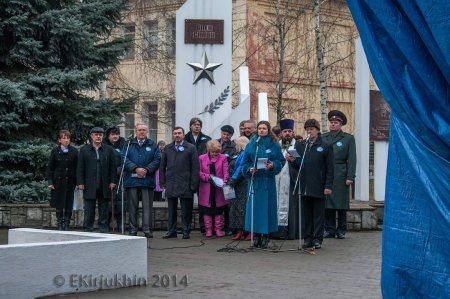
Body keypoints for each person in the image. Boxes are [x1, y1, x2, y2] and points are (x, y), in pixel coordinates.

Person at [241, 120, 286, 249]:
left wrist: (273, 165)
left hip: (267, 181)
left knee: (267, 209)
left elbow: (281, 161)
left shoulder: (274, 144)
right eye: (260, 128)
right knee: (254, 209)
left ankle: (265, 236)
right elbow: (245, 163)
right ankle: (255, 235)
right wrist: (249, 169)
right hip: (255, 181)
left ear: (268, 130)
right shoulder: (251, 144)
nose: (261, 130)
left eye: (264, 128)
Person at [290, 119, 333, 249]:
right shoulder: (300, 145)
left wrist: (328, 186)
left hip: (319, 185)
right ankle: (307, 238)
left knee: (318, 215)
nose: (309, 131)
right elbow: (299, 165)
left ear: (317, 130)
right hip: (304, 186)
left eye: (312, 129)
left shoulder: (325, 145)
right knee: (306, 215)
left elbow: (330, 168)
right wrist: (292, 161)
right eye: (307, 129)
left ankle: (317, 239)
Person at [160, 127, 199, 239]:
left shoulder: (191, 148)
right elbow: (162, 167)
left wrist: (193, 184)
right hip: (171, 183)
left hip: (186, 183)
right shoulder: (168, 148)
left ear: (183, 134)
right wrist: (162, 183)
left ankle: (185, 230)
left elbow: (195, 167)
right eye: (175, 133)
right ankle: (171, 231)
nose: (177, 135)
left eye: (179, 133)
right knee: (171, 209)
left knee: (186, 209)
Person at [322, 110, 356, 239]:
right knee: (328, 203)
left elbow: (352, 159)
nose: (333, 124)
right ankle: (329, 229)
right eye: (331, 122)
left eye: (335, 123)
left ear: (341, 124)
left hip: (341, 173)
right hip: (326, 173)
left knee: (341, 203)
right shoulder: (324, 137)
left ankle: (341, 229)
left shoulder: (348, 138)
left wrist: (350, 176)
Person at [122, 124, 161, 238]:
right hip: (131, 181)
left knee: (147, 207)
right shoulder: (128, 144)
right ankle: (133, 230)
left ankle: (147, 229)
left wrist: (147, 169)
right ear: (136, 131)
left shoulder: (152, 144)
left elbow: (157, 159)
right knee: (132, 207)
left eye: (144, 130)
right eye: (139, 130)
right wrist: (135, 168)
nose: (142, 132)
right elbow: (124, 157)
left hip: (147, 180)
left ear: (147, 131)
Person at [77, 127, 117, 233]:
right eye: (96, 134)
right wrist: (80, 182)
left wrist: (113, 181)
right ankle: (87, 228)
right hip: (89, 184)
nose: (98, 136)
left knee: (104, 208)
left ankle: (103, 228)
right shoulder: (84, 150)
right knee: (89, 209)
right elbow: (80, 167)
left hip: (105, 184)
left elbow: (113, 167)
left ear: (103, 136)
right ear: (91, 136)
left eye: (100, 135)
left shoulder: (108, 150)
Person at [273, 119, 300, 240]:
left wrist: (294, 161)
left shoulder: (299, 145)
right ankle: (277, 232)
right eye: (285, 131)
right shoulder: (275, 146)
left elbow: (302, 164)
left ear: (293, 133)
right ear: (281, 133)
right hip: (277, 181)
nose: (287, 133)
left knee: (291, 207)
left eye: (290, 131)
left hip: (292, 181)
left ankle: (290, 233)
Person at [46, 130, 78, 230]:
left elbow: (78, 167)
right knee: (59, 203)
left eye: (68, 138)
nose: (66, 140)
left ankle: (67, 223)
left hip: (70, 181)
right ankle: (60, 223)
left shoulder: (74, 151)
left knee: (69, 203)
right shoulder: (55, 151)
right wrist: (50, 181)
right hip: (58, 181)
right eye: (64, 138)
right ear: (59, 140)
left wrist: (78, 182)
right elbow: (50, 167)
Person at [184, 117, 211, 234]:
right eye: (194, 124)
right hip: (187, 173)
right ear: (190, 126)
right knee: (187, 203)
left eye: (199, 124)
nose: (196, 126)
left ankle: (203, 226)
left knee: (203, 202)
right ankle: (186, 227)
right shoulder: (184, 139)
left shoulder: (207, 139)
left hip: (202, 173)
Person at [198, 140, 229, 238]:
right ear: (208, 150)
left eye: (217, 152)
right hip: (206, 187)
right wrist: (208, 177)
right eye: (213, 152)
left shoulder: (223, 158)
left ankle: (218, 229)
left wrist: (224, 181)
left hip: (219, 188)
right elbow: (198, 172)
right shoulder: (201, 158)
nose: (215, 154)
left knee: (218, 209)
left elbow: (226, 171)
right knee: (207, 210)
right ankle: (208, 230)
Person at [227, 136, 249, 240]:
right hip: (235, 185)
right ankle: (239, 231)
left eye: (236, 144)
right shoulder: (237, 154)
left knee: (242, 209)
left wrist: (233, 180)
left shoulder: (244, 154)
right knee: (236, 209)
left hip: (242, 185)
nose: (235, 146)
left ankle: (246, 231)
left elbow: (240, 169)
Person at [104, 126, 126, 231]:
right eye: (113, 134)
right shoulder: (104, 146)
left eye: (117, 134)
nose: (115, 136)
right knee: (108, 203)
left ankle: (121, 224)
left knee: (120, 202)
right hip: (108, 178)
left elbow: (126, 159)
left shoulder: (124, 145)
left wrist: (121, 169)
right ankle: (107, 224)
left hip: (120, 178)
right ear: (108, 136)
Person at [217, 125, 236, 235]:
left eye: (228, 135)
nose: (225, 136)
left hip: (228, 181)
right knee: (218, 204)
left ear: (231, 135)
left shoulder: (233, 146)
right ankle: (218, 227)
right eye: (224, 133)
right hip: (217, 179)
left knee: (228, 204)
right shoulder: (215, 143)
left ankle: (229, 226)